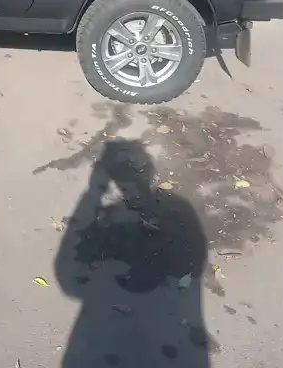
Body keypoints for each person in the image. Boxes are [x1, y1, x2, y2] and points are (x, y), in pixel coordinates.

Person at [56, 138, 214, 367]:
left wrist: (94, 193)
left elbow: (69, 280)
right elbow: (195, 262)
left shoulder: (176, 209)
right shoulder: (180, 208)